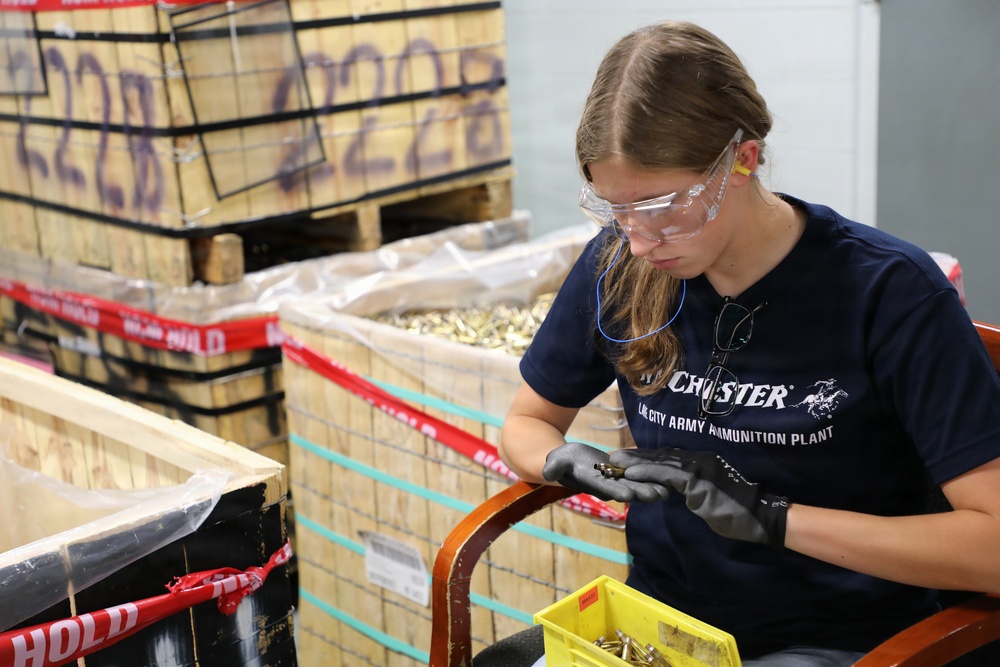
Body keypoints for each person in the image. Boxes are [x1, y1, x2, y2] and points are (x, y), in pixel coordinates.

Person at [497, 19, 1000, 667]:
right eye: (616, 210)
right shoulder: (618, 266)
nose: (641, 240)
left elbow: (991, 546)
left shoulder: (889, 294)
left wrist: (775, 517)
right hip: (662, 625)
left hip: (837, 638)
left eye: (662, 206)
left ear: (743, 157)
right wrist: (567, 461)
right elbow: (526, 421)